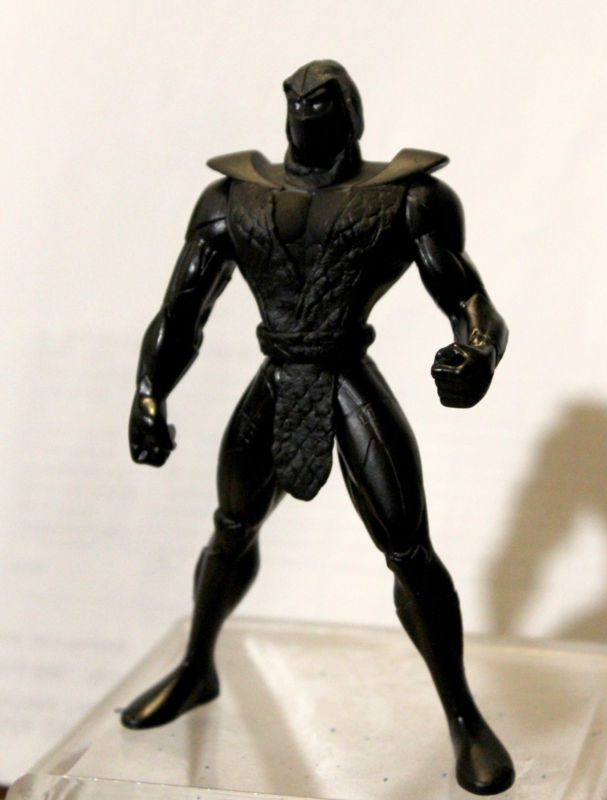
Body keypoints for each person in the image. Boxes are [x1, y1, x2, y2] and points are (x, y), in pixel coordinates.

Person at [122, 60, 514, 796]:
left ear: (352, 112)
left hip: (345, 375)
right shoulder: (232, 197)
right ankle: (196, 667)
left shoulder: (408, 198)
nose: (310, 108)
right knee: (230, 529)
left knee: (408, 550)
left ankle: (463, 717)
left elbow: (467, 299)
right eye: (300, 100)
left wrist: (477, 351)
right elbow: (182, 310)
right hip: (278, 377)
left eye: (325, 101)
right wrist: (150, 393)